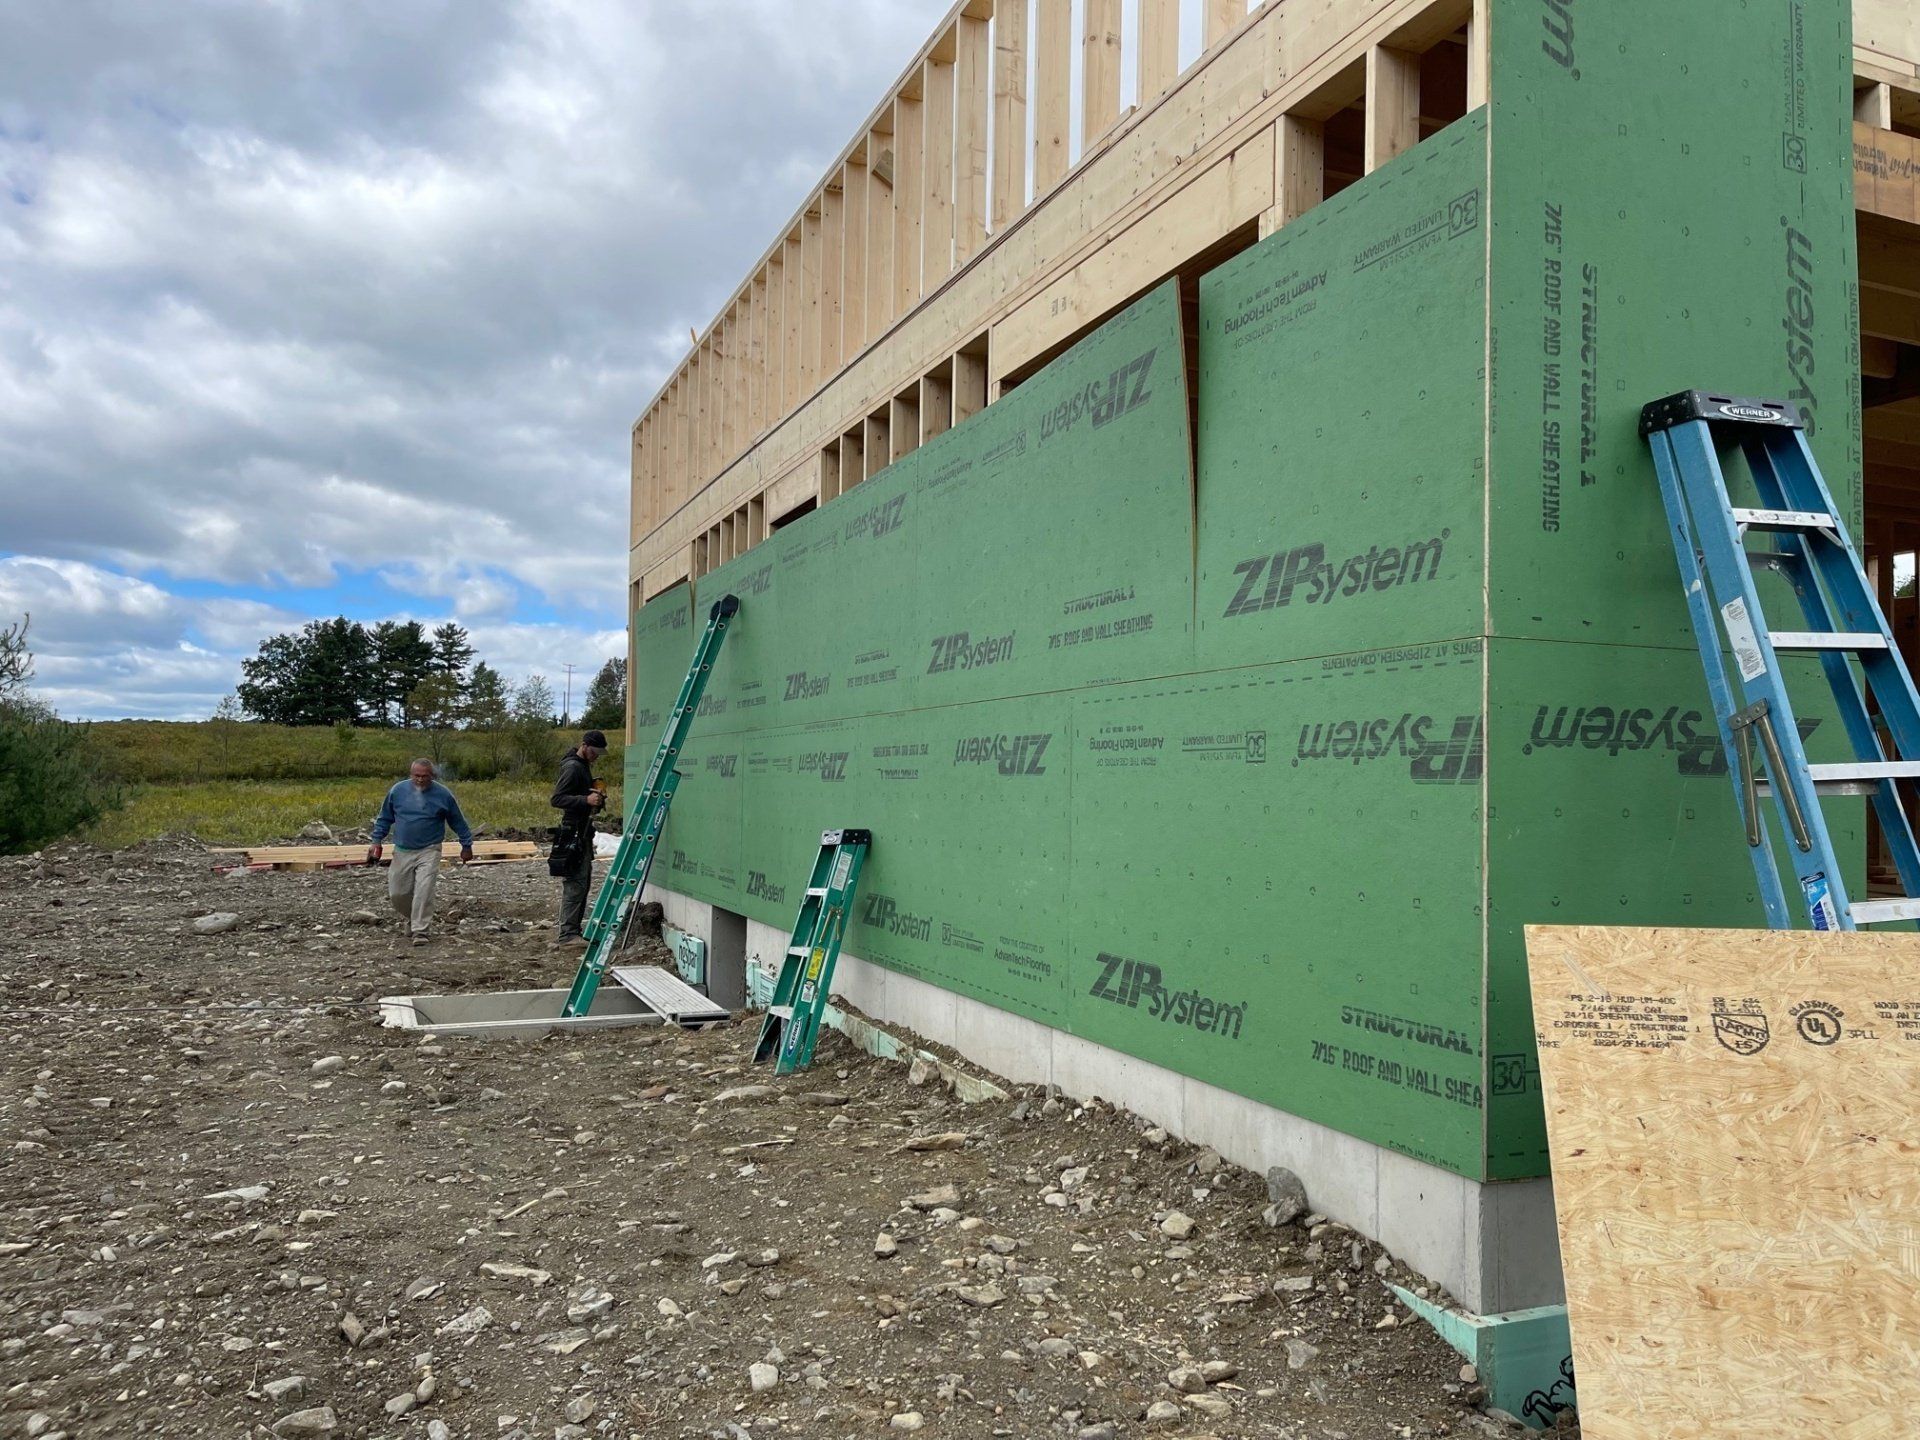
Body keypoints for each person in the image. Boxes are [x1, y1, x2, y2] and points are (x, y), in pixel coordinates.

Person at [366, 758, 474, 945]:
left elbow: (458, 821)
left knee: (424, 890)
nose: (421, 779)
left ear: (432, 775)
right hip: (402, 849)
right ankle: (413, 917)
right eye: (417, 776)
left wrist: (466, 845)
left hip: (429, 849)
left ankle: (420, 931)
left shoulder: (443, 795)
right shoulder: (397, 791)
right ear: (411, 774)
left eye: (425, 776)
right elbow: (384, 818)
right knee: (398, 894)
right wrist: (376, 841)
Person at [550, 730, 607, 947]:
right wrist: (586, 799)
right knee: (576, 882)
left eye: (599, 753)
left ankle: (573, 931)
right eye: (594, 751)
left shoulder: (582, 765)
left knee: (582, 882)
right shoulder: (573, 767)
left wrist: (595, 797)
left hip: (581, 831)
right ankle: (568, 935)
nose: (596, 756)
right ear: (584, 745)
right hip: (573, 831)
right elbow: (557, 799)